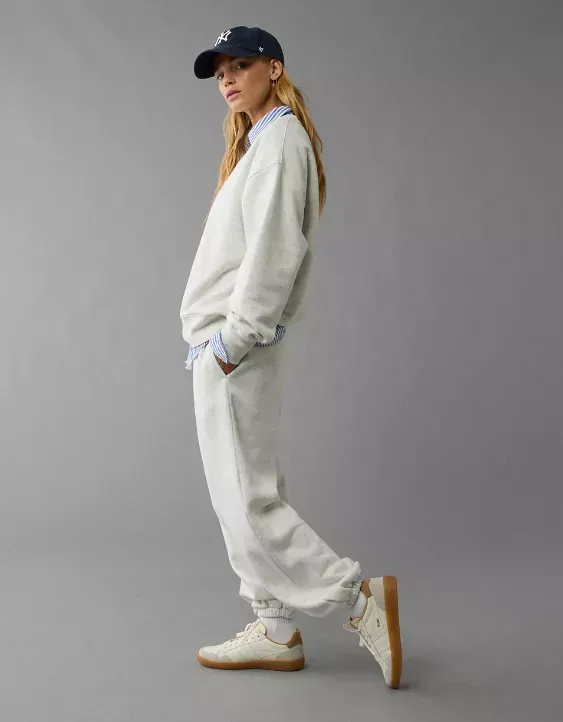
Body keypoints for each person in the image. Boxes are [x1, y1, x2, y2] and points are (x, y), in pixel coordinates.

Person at [179, 25, 402, 688]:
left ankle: (357, 600)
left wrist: (232, 343)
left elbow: (275, 252)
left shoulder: (280, 143)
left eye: (240, 65)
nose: (227, 78)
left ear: (273, 69)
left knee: (248, 502)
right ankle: (275, 628)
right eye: (220, 70)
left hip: (235, 348)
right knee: (244, 494)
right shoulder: (261, 142)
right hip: (225, 346)